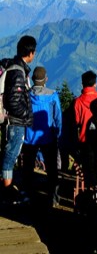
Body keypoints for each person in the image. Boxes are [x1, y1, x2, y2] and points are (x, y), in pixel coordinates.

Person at [0, 35, 36, 204]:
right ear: (30, 52)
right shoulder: (18, 72)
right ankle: (6, 192)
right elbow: (14, 100)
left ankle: (7, 189)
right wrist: (25, 115)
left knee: (9, 155)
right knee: (10, 156)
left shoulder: (15, 67)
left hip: (11, 121)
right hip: (15, 122)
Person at [22, 66, 62, 207]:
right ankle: (54, 197)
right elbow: (58, 117)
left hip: (29, 137)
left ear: (33, 79)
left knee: (27, 168)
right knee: (52, 170)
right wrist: (58, 134)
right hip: (48, 136)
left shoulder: (26, 95)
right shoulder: (52, 95)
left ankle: (27, 194)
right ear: (46, 79)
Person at [74, 70, 97, 146]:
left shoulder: (77, 102)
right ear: (95, 84)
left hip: (85, 140)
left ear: (82, 84)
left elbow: (76, 121)